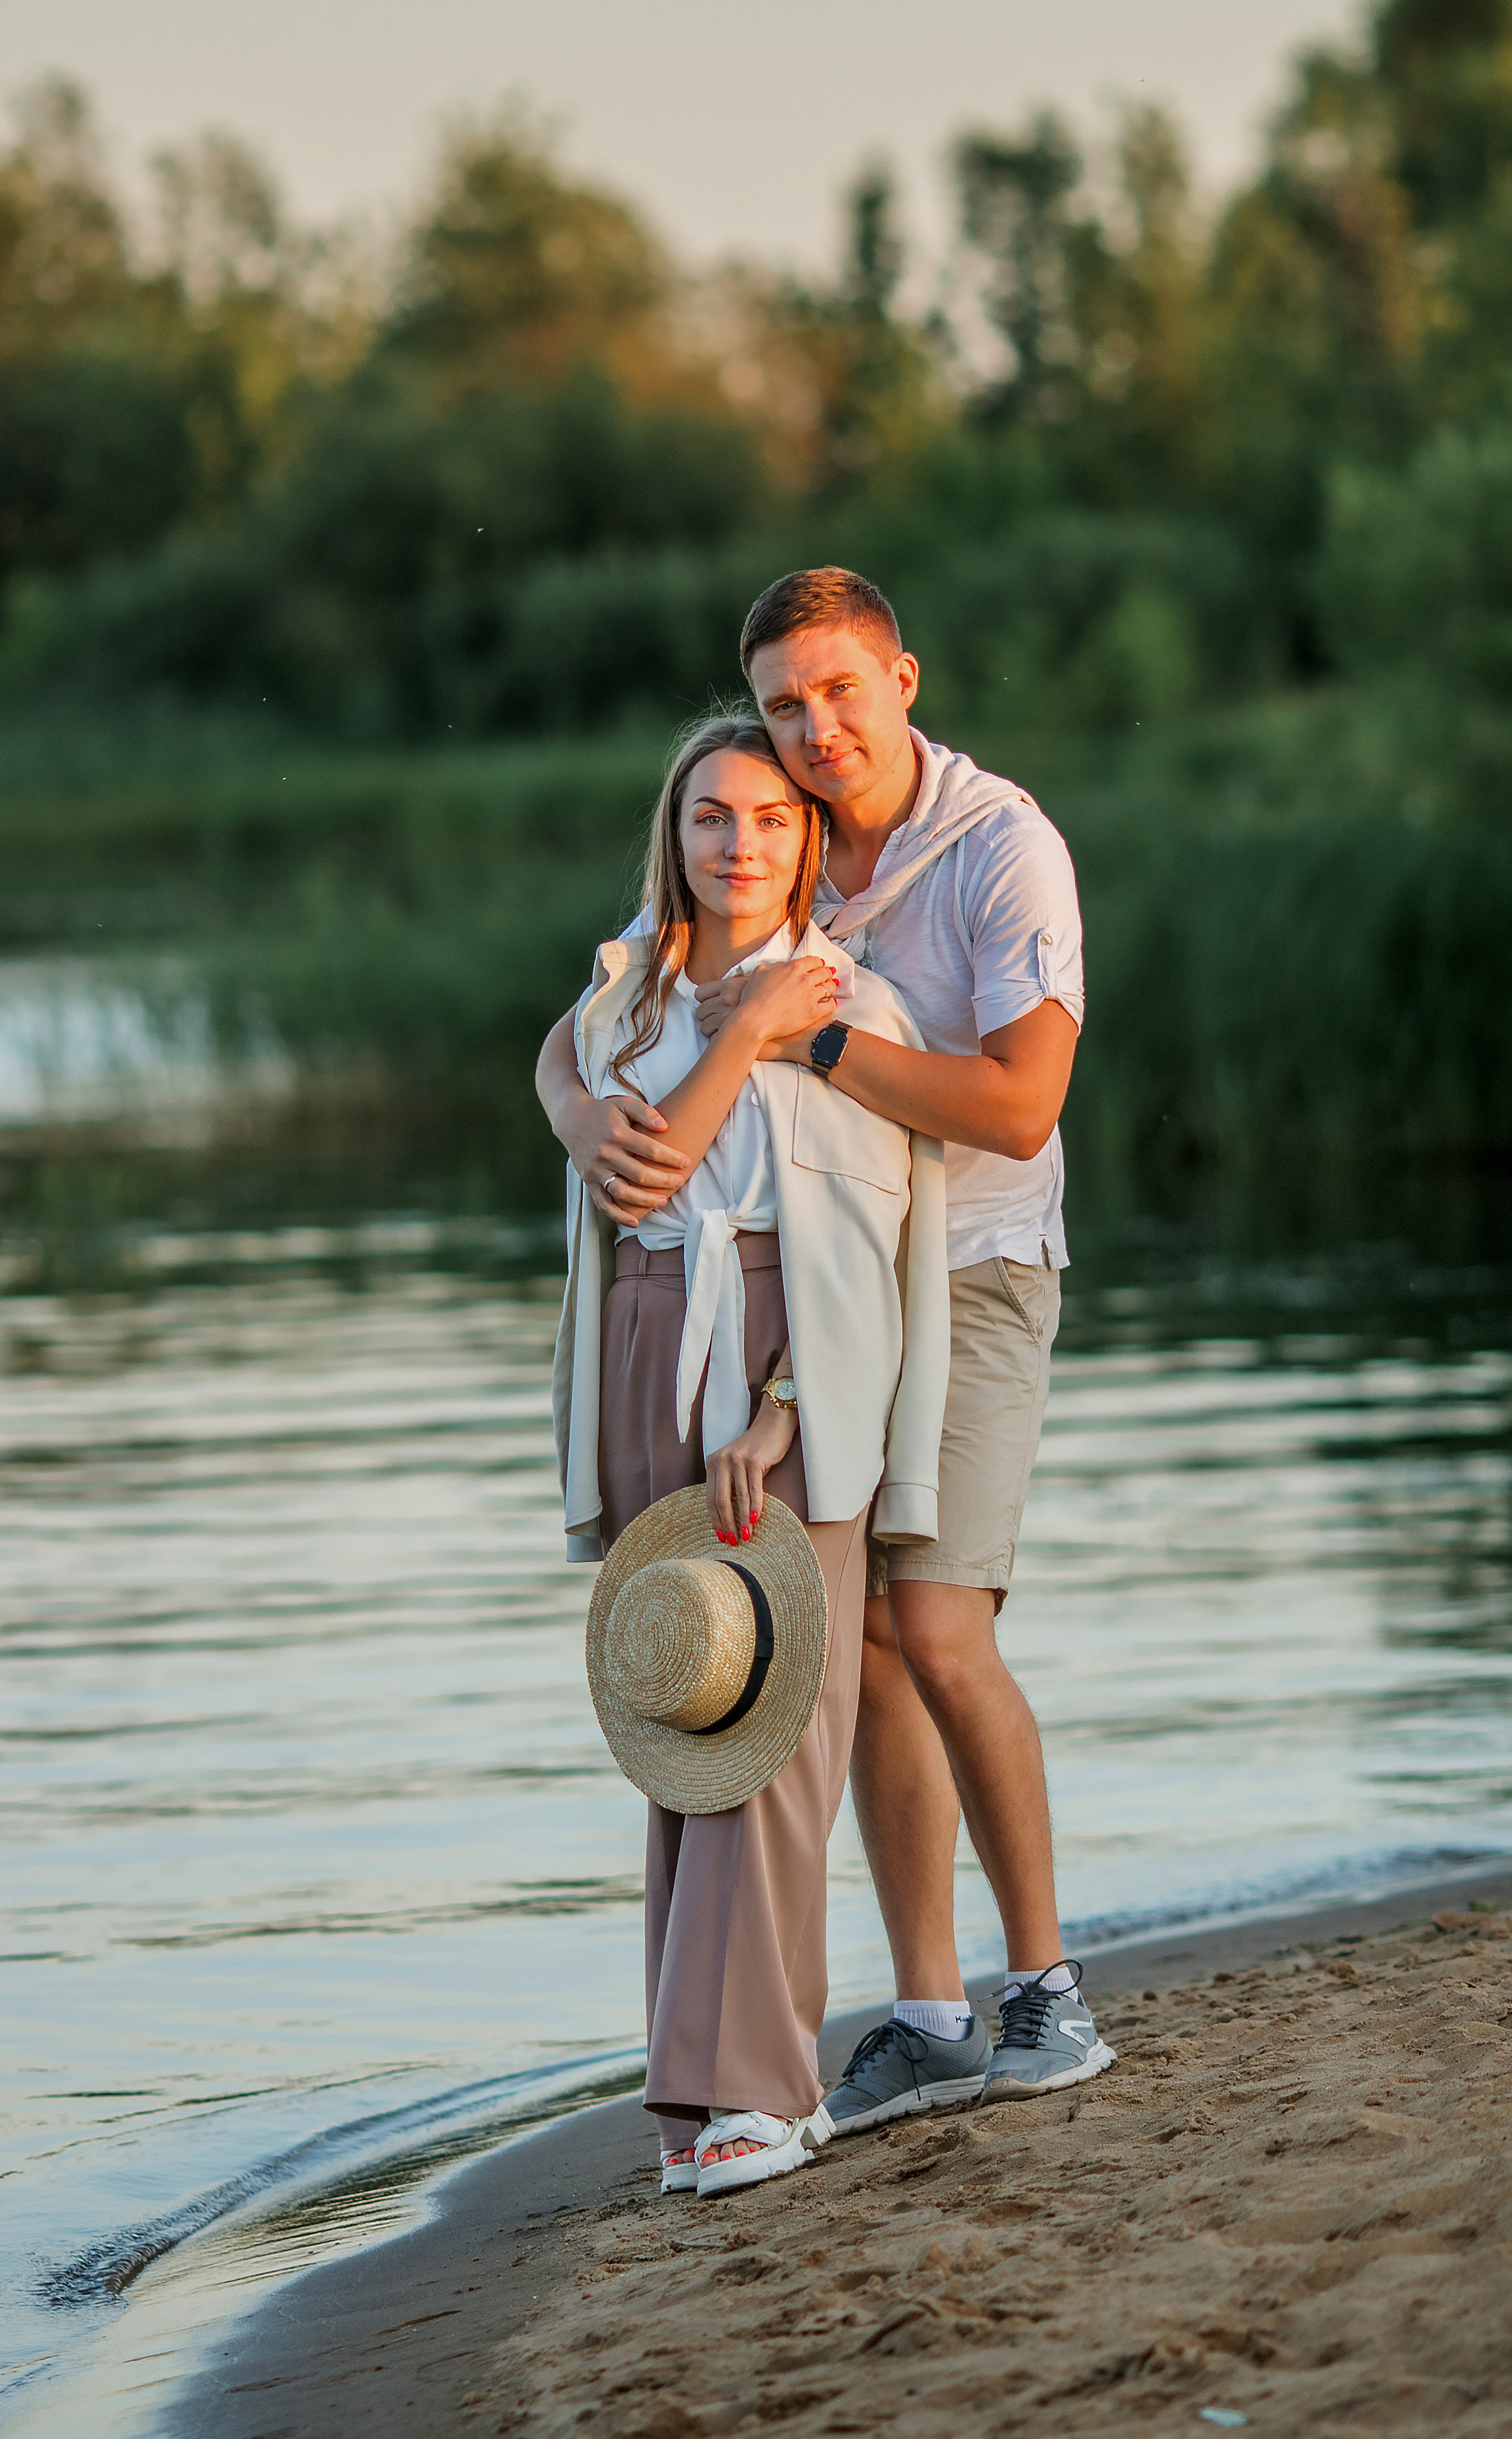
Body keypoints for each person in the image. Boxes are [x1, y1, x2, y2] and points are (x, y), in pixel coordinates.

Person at [537, 569, 1114, 2123]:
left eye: (838, 692)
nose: (812, 729)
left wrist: (822, 1042)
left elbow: (1017, 1104)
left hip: (974, 1262)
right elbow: (603, 1003)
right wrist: (578, 1108)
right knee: (849, 1640)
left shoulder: (1002, 849)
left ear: (904, 678)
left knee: (933, 1626)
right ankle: (925, 2006)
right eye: (786, 703)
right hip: (837, 1282)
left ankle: (1045, 1988)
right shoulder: (769, 823)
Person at [547, 710, 948, 2196]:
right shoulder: (626, 988)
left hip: (779, 1354)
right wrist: (574, 1088)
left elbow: (868, 1245)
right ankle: (692, 2096)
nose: (740, 843)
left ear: (809, 838)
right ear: (677, 830)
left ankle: (763, 2090)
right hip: (649, 1340)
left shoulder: (850, 1003)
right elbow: (602, 1131)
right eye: (712, 816)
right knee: (690, 1700)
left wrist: (785, 1400)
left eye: (772, 820)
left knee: (783, 1724)